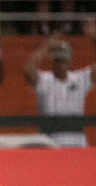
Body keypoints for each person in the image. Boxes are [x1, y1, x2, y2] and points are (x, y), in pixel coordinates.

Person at [23, 19, 96, 147]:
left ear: (69, 61)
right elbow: (28, 69)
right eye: (57, 60)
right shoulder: (44, 79)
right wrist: (47, 46)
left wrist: (94, 38)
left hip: (77, 141)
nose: (60, 64)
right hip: (50, 141)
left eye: (63, 60)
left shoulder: (80, 78)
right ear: (52, 61)